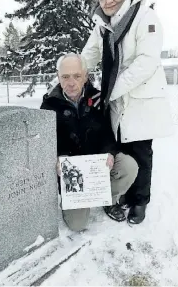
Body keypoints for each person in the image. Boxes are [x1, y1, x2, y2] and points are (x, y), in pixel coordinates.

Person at [82, 0, 173, 224]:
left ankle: (140, 201)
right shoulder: (103, 25)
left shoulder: (145, 17)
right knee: (123, 151)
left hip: (140, 99)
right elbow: (87, 55)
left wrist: (110, 91)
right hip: (116, 101)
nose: (108, 0)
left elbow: (146, 63)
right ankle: (126, 194)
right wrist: (69, 76)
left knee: (141, 153)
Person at [40, 53, 138, 231]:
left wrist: (109, 152)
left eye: (77, 76)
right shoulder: (49, 105)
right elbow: (46, 143)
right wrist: (57, 159)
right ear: (58, 77)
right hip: (71, 171)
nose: (71, 82)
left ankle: (109, 199)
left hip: (96, 166)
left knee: (129, 166)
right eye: (65, 77)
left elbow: (108, 132)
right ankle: (76, 201)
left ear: (85, 76)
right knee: (77, 225)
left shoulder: (98, 99)